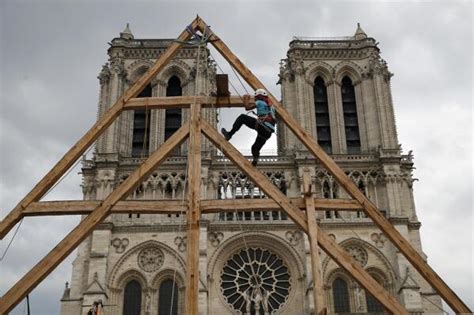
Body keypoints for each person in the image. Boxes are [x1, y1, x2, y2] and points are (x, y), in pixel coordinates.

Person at [221, 89, 276, 166]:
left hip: (262, 126)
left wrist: (246, 99)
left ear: (258, 96)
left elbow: (247, 107)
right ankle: (255, 161)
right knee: (255, 148)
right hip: (268, 133)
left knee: (242, 117)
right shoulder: (271, 106)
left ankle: (229, 134)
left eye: (255, 97)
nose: (255, 99)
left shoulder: (260, 102)